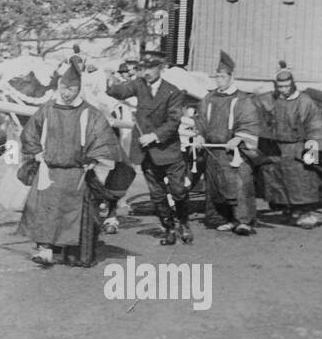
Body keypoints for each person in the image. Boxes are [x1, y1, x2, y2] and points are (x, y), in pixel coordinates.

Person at [20, 62, 122, 268]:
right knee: (45, 211)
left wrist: (93, 159)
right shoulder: (47, 109)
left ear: (79, 90)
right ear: (59, 87)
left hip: (77, 173)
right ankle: (45, 250)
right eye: (64, 88)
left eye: (72, 89)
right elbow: (30, 132)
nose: (67, 93)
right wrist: (37, 152)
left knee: (72, 215)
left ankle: (71, 253)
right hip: (49, 171)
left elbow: (103, 136)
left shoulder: (89, 112)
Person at [106, 47, 190, 245]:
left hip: (168, 151)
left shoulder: (173, 92)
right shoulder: (140, 85)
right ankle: (168, 228)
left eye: (151, 68)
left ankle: (184, 224)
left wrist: (154, 136)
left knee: (178, 191)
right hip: (147, 154)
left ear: (160, 68)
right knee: (157, 195)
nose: (146, 73)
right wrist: (110, 82)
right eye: (143, 68)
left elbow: (173, 121)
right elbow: (121, 91)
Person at [192, 50, 261, 236]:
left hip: (234, 151)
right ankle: (221, 218)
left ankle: (242, 221)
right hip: (213, 151)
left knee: (239, 185)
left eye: (223, 76)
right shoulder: (208, 98)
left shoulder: (243, 100)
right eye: (217, 76)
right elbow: (200, 121)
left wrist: (239, 138)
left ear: (232, 77)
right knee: (215, 185)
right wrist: (199, 136)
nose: (219, 79)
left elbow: (249, 122)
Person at [254, 63, 322, 229]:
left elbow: (315, 128)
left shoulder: (305, 101)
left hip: (298, 148)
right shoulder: (273, 100)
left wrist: (312, 154)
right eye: (280, 86)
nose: (283, 89)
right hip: (278, 149)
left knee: (302, 183)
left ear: (292, 84)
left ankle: (305, 214)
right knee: (279, 181)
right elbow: (256, 106)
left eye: (286, 86)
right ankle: (288, 210)